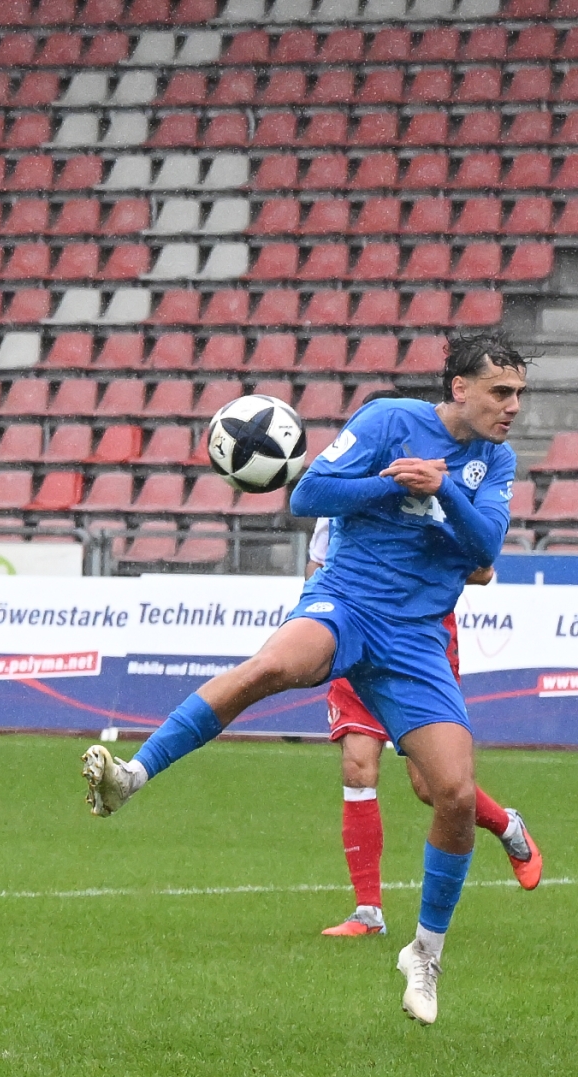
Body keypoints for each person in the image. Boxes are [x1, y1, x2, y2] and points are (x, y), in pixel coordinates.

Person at [81, 332, 526, 1024]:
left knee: (455, 794)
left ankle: (424, 953)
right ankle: (132, 775)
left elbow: (486, 547)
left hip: (416, 638)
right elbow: (309, 493)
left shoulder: (496, 461)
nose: (513, 406)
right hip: (346, 602)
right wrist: (389, 483)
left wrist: (441, 488)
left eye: (519, 394)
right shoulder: (388, 420)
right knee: (272, 666)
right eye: (501, 392)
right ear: (460, 388)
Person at [306, 516, 540, 938]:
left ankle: (507, 826)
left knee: (429, 786)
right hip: (354, 631)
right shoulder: (339, 495)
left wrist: (408, 568)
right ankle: (368, 913)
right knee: (357, 766)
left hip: (418, 640)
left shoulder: (427, 499)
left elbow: (482, 571)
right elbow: (317, 564)